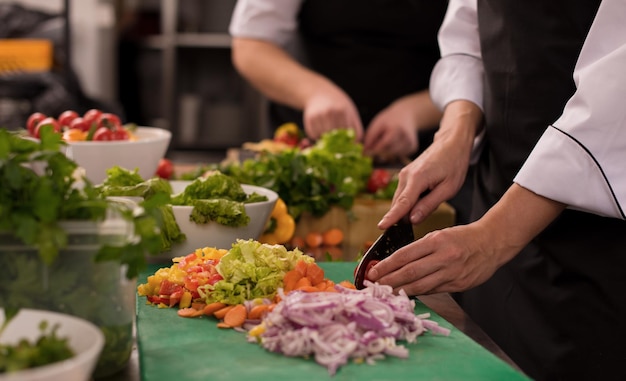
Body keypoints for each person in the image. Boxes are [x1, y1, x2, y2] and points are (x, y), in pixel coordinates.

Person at [367, 0, 626, 380]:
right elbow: (472, 27)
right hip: (490, 211)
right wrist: (454, 133)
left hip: (599, 254)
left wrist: (495, 235)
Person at [228, 0, 446, 162]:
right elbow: (251, 46)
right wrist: (314, 93)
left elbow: (474, 66)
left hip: (430, 150)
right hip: (306, 153)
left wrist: (416, 112)